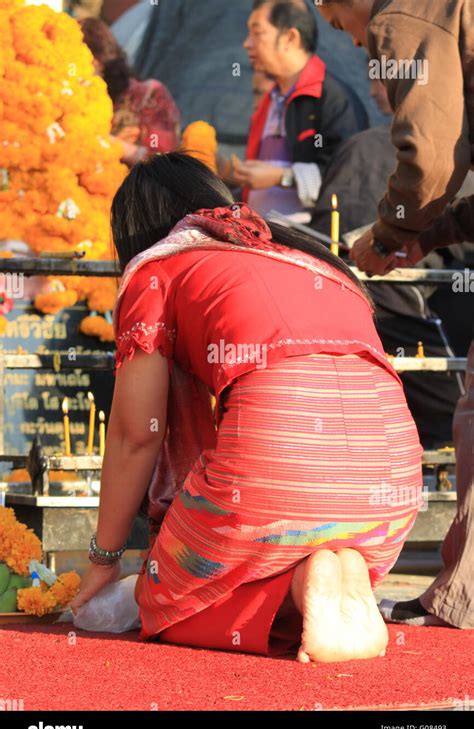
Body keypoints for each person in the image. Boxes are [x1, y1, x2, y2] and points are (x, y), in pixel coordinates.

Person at [71, 152, 423, 663]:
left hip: (276, 469)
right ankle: (323, 579)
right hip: (388, 493)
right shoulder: (306, 254)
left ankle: (302, 591)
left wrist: (104, 560)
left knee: (164, 600)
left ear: (137, 231)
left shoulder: (158, 269)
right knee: (265, 546)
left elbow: (136, 434)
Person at [317, 0, 473, 628]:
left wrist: (386, 234)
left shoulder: (401, 16)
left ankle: (465, 597)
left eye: (335, 24)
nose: (353, 43)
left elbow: (430, 159)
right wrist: (432, 236)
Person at [234, 0, 363, 217]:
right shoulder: (270, 98)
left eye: (257, 33)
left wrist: (282, 177)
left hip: (307, 242)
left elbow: (347, 180)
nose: (247, 44)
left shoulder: (334, 99)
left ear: (290, 38)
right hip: (260, 236)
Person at [80, 18, 181, 166]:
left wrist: (108, 144)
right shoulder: (72, 101)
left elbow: (166, 161)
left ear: (98, 61)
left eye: (80, 59)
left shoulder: (150, 94)